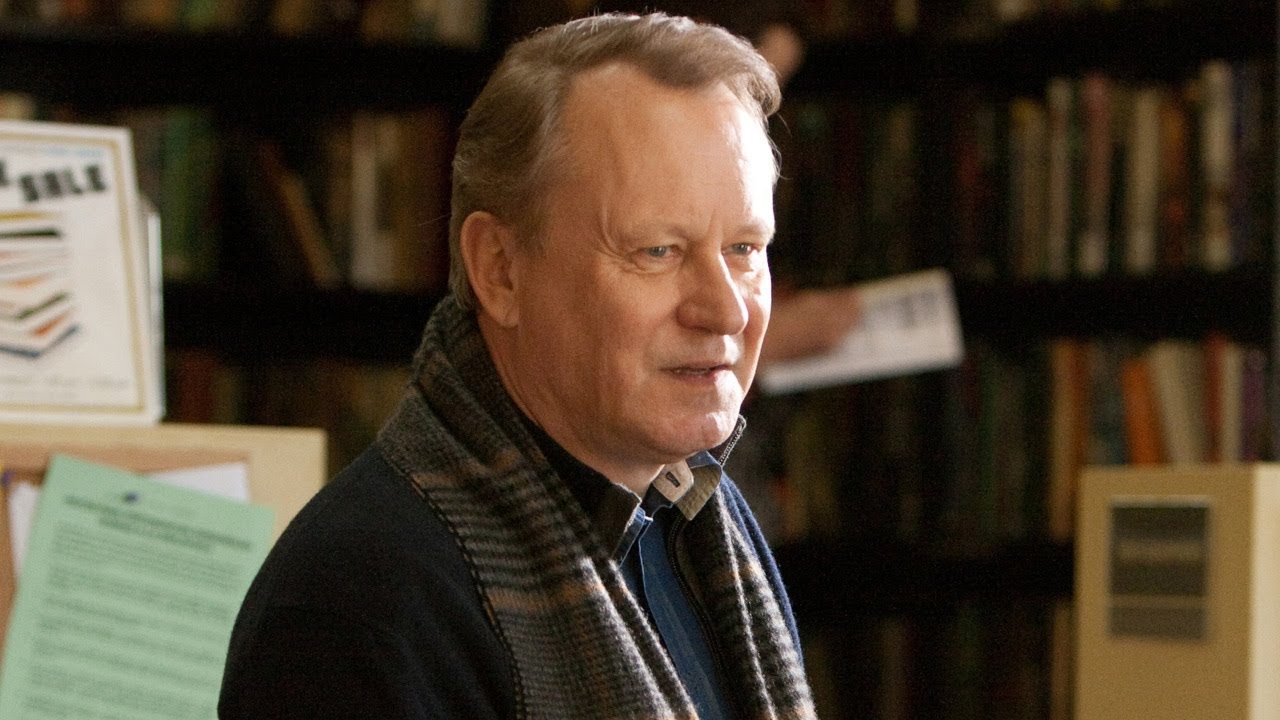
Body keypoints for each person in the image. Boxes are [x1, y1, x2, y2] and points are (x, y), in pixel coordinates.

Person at [219, 12, 815, 720]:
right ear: (500, 269)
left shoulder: (704, 516)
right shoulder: (356, 608)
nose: (725, 310)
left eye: (745, 249)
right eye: (657, 251)